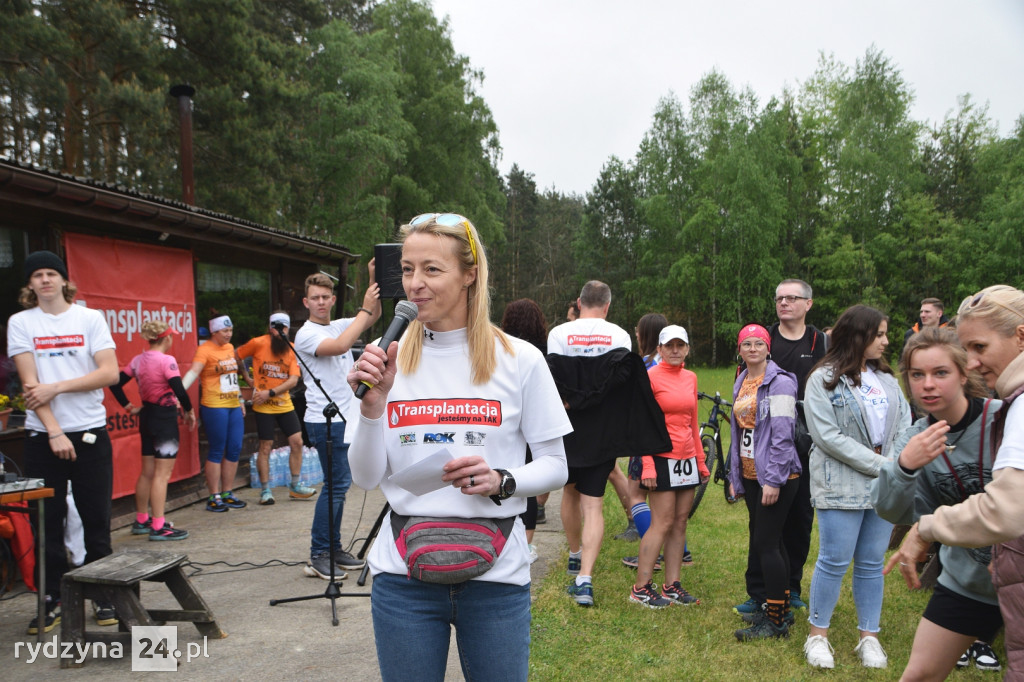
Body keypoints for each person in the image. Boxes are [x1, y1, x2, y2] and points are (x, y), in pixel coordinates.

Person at [348, 212, 571, 680]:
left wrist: (502, 480)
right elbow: (366, 478)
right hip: (403, 577)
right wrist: (374, 408)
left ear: (470, 274)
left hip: (496, 579)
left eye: (432, 269)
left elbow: (555, 466)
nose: (415, 284)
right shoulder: (384, 359)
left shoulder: (520, 360)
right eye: (407, 270)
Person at [885, 285, 1024, 679]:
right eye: (969, 350)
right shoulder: (921, 434)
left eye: (980, 347)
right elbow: (892, 505)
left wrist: (927, 529)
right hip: (975, 579)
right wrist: (904, 468)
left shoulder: (1008, 411)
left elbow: (1008, 508)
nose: (976, 362)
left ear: (1021, 337)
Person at [8, 250, 119, 633]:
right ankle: (52, 597)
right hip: (44, 437)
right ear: (30, 284)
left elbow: (108, 372)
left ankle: (104, 593)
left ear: (64, 280)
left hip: (91, 433)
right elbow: (29, 385)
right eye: (36, 274)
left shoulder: (89, 318)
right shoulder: (21, 322)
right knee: (48, 524)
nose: (45, 280)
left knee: (96, 521)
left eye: (51, 273)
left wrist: (58, 385)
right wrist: (54, 430)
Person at [802, 304, 911, 669]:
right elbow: (828, 436)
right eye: (879, 334)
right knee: (834, 560)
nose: (886, 340)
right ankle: (817, 637)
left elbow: (903, 429)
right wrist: (885, 465)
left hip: (884, 487)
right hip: (841, 485)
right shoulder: (823, 379)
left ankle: (870, 638)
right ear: (857, 335)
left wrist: (895, 463)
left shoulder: (889, 382)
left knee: (870, 562)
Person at [735, 279, 827, 618]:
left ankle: (790, 589)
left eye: (792, 298)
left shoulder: (820, 342)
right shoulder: (761, 340)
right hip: (761, 449)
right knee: (761, 528)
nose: (784, 303)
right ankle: (759, 590)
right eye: (779, 298)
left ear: (808, 303)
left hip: (804, 444)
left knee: (798, 520)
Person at [547, 280, 633, 606]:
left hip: (567, 425)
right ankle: (585, 578)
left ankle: (573, 553)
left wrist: (572, 402)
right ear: (607, 306)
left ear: (580, 302)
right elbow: (621, 384)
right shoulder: (620, 335)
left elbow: (553, 378)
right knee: (593, 503)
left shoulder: (559, 334)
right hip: (602, 429)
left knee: (568, 491)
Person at [294, 264, 381, 579]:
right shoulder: (306, 334)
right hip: (323, 420)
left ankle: (334, 548)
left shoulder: (340, 324)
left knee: (339, 487)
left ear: (332, 300)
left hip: (346, 419)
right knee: (335, 486)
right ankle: (319, 553)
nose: (320, 302)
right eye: (315, 297)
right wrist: (363, 311)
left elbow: (371, 316)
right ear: (306, 302)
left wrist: (374, 280)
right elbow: (342, 346)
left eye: (325, 297)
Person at [728, 324, 802, 640]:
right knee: (773, 543)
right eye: (747, 344)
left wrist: (773, 479)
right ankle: (779, 608)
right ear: (740, 350)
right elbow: (739, 433)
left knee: (767, 543)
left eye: (759, 343)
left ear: (768, 348)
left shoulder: (781, 383)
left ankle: (775, 623)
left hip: (777, 476)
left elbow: (783, 436)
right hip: (750, 473)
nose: (753, 348)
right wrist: (736, 476)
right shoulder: (741, 380)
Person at [629, 324, 706, 609]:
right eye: (669, 345)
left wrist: (700, 461)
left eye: (680, 345)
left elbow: (693, 420)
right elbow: (640, 424)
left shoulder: (691, 377)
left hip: (686, 459)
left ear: (687, 348)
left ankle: (673, 584)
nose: (675, 350)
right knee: (661, 522)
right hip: (660, 457)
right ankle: (641, 588)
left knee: (680, 522)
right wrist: (647, 465)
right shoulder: (649, 376)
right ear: (659, 349)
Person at [109, 320, 195, 541]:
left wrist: (129, 407)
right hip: (164, 419)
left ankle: (141, 519)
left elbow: (115, 383)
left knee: (148, 471)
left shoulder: (138, 360)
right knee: (162, 474)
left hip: (146, 416)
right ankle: (158, 526)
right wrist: (189, 411)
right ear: (166, 338)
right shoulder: (167, 360)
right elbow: (179, 390)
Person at [236, 312, 315, 506]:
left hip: (283, 403)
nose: (280, 332)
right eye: (276, 327)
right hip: (263, 406)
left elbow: (293, 380)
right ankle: (265, 490)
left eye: (284, 328)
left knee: (297, 442)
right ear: (270, 328)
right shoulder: (258, 343)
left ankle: (295, 486)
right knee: (265, 446)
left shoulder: (291, 348)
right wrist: (247, 379)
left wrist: (269, 393)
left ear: (288, 329)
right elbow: (236, 355)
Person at [500, 298, 549, 563]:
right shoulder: (544, 353)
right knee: (527, 484)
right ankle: (526, 545)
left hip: (508, 424)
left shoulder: (502, 351)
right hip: (535, 426)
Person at [182, 312, 247, 512]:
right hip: (214, 405)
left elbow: (232, 377)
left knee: (235, 447)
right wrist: (179, 393)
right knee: (217, 449)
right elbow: (193, 372)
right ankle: (214, 495)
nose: (229, 334)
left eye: (230, 330)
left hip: (233, 405)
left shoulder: (229, 348)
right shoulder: (204, 350)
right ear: (214, 331)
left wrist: (240, 399)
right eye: (224, 331)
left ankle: (227, 492)